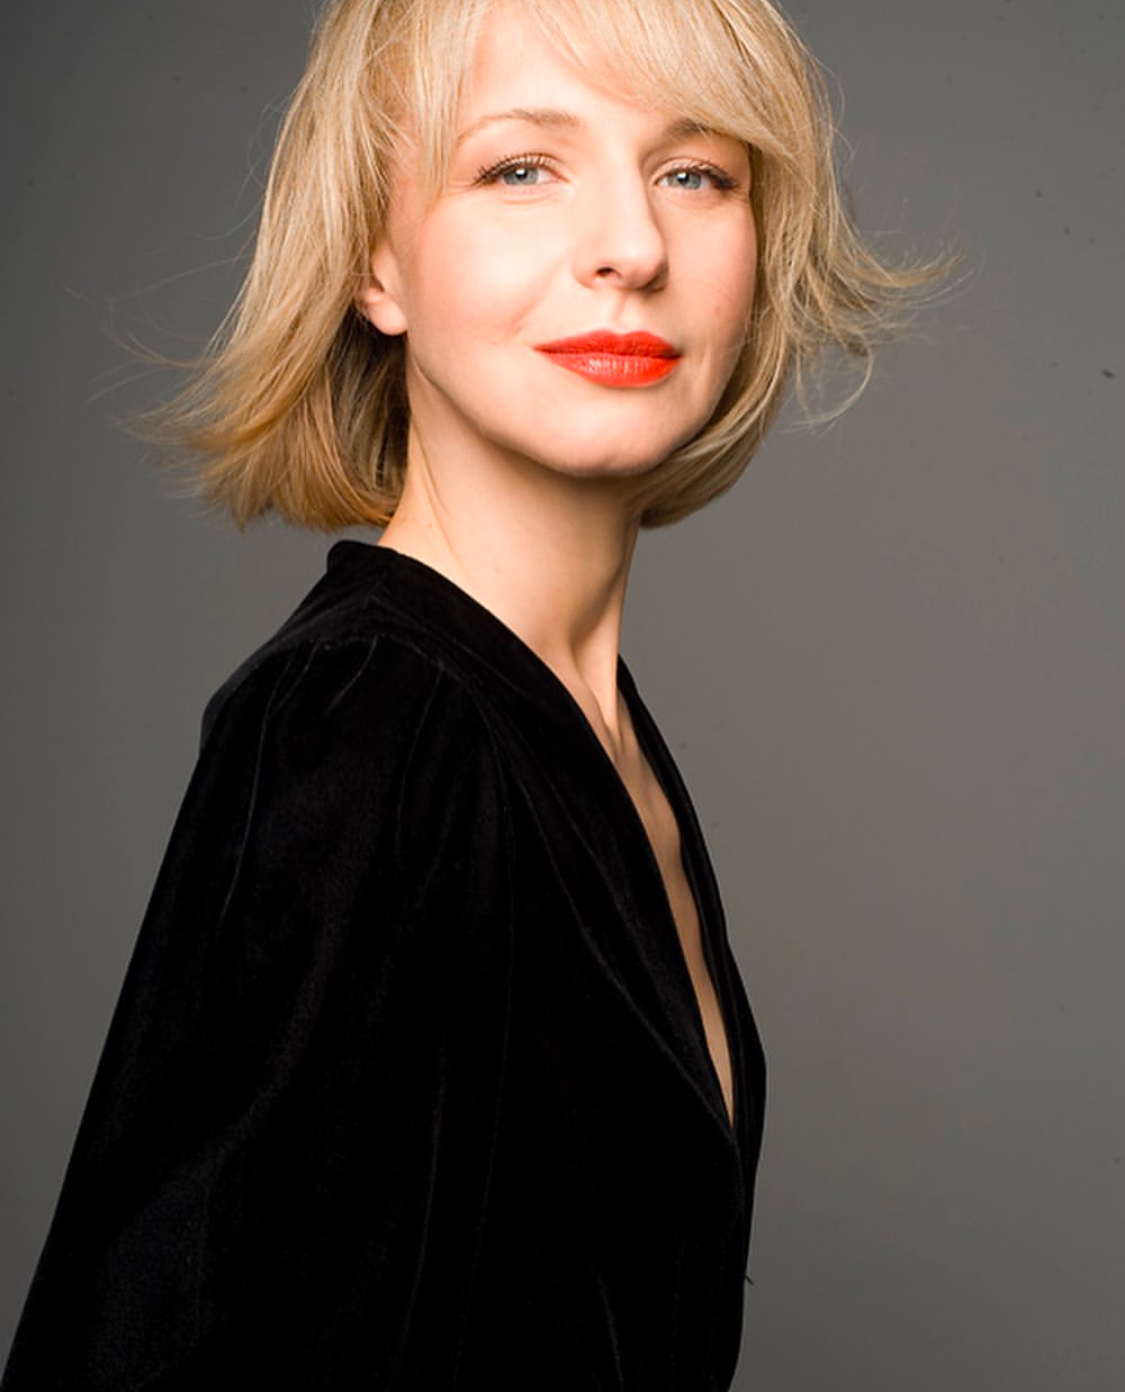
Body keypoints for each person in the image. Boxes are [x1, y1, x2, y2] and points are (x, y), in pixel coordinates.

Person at [2, 0, 946, 1387]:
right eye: (520, 167)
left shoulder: (585, 736)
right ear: (374, 260)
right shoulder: (373, 726)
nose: (632, 245)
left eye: (695, 171)